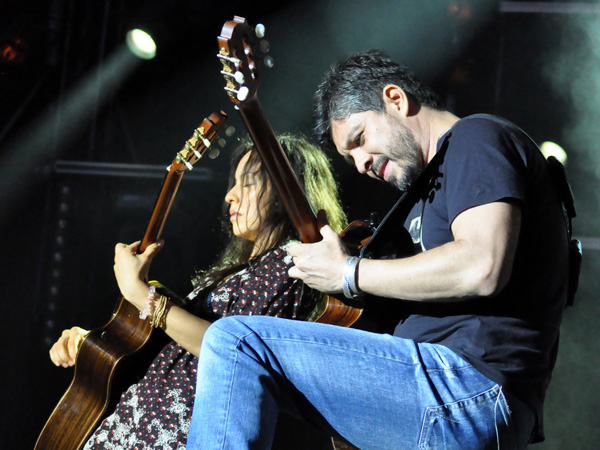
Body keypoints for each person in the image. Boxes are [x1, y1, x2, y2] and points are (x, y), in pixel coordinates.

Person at [186, 50, 572, 450]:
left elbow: (482, 266)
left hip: (463, 386)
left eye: (359, 139)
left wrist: (348, 273)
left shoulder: (476, 138)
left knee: (235, 342)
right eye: (349, 156)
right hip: (454, 397)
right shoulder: (423, 195)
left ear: (396, 99)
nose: (360, 164)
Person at [48, 133, 347, 449]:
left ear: (285, 188)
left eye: (247, 183)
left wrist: (141, 295)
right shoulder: (247, 269)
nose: (230, 195)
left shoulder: (291, 261)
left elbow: (232, 351)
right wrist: (93, 346)